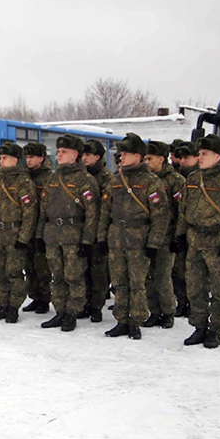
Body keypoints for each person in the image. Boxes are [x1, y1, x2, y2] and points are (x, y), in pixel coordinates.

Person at [175, 134, 220, 349]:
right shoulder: (192, 180)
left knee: (219, 289)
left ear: (218, 156)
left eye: (204, 154)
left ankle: (216, 329)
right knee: (195, 287)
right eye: (199, 153)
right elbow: (183, 210)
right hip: (195, 239)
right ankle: (199, 326)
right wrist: (180, 235)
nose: (200, 157)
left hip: (218, 241)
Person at [97, 133, 169, 340]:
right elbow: (105, 212)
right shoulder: (115, 181)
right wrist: (102, 238)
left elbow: (160, 215)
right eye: (121, 154)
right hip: (116, 237)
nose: (122, 158)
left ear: (138, 156)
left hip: (140, 238)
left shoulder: (151, 181)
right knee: (119, 282)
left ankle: (135, 321)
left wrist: (154, 243)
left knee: (137, 283)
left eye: (126, 154)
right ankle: (121, 320)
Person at [37, 134, 99, 332]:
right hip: (53, 234)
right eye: (59, 151)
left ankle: (72, 313)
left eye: (64, 152)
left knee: (74, 276)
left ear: (75, 155)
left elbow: (92, 213)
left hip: (74, 235)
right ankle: (60, 311)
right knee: (57, 276)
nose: (59, 155)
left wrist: (88, 241)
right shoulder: (53, 178)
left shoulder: (85, 180)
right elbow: (43, 209)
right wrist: (40, 235)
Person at [0, 142, 37, 324]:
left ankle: (14, 307)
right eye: (0, 158)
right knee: (0, 273)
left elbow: (29, 213)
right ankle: (2, 305)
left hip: (14, 234)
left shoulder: (23, 182)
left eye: (5, 158)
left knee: (14, 273)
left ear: (15, 159)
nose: (1, 161)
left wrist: (23, 237)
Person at [142, 141, 184, 329]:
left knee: (163, 276)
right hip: (145, 236)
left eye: (150, 158)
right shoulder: (143, 179)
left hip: (167, 237)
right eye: (145, 158)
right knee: (148, 277)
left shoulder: (174, 180)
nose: (146, 162)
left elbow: (182, 211)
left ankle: (168, 312)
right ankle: (154, 311)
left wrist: (178, 237)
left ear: (161, 158)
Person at [80, 139, 111, 322]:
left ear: (97, 157)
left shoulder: (106, 178)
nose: (84, 158)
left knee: (98, 271)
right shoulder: (81, 177)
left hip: (98, 229)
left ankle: (96, 306)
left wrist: (102, 236)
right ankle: (84, 303)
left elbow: (105, 208)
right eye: (82, 155)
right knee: (83, 270)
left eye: (88, 155)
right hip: (82, 229)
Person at [22, 142, 53, 315]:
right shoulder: (25, 177)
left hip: (41, 229)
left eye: (32, 157)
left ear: (41, 158)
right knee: (29, 266)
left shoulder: (49, 178)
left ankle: (44, 299)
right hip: (26, 229)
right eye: (27, 157)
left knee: (42, 267)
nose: (29, 161)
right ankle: (34, 296)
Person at [171, 141, 200, 316]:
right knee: (179, 271)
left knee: (196, 272)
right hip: (179, 230)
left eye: (186, 157)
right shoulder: (176, 177)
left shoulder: (202, 178)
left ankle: (195, 305)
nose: (182, 161)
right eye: (180, 157)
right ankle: (182, 302)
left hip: (199, 232)